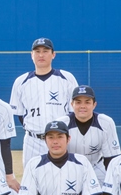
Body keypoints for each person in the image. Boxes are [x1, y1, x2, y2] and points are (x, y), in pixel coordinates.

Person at [8, 37, 79, 167]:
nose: (41, 55)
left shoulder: (66, 78)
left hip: (60, 139)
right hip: (33, 141)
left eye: (45, 51)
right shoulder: (21, 81)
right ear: (31, 55)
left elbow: (74, 111)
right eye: (37, 51)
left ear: (53, 54)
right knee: (32, 182)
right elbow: (20, 114)